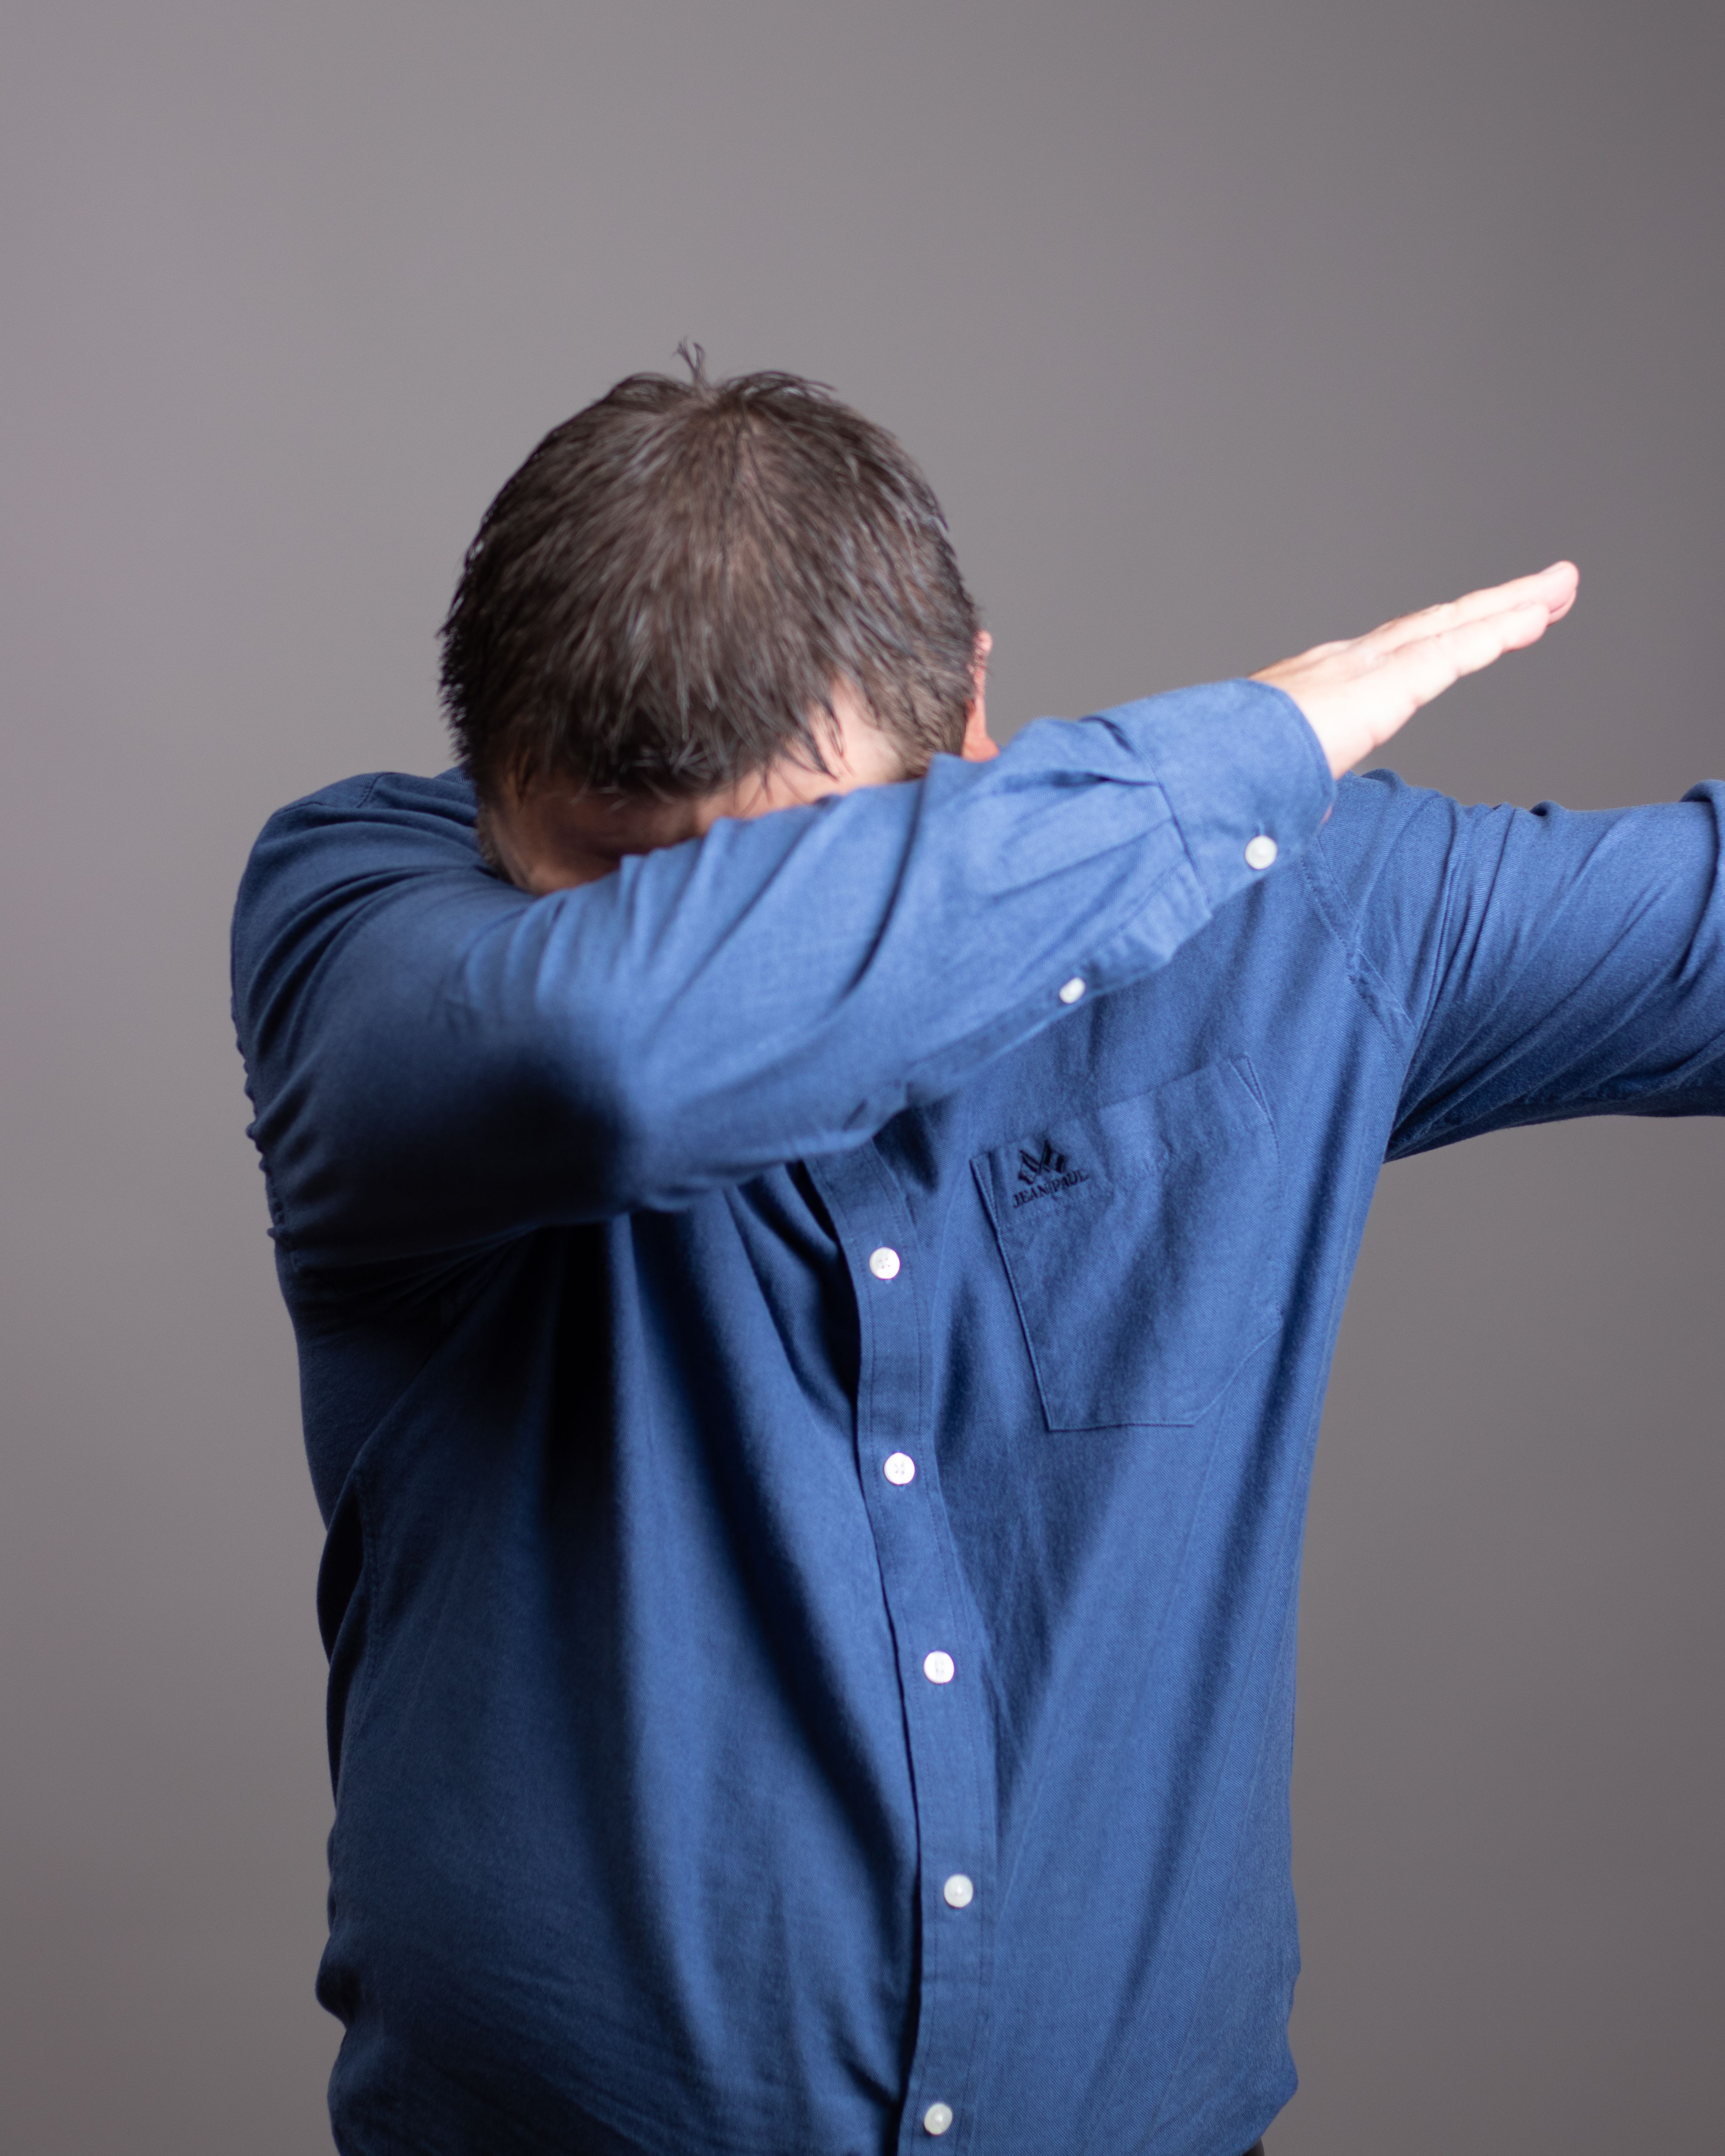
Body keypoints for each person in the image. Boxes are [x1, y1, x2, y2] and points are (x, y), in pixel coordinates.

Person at [230, 358, 1710, 2156]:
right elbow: (615, 1051)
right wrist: (1242, 750)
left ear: (974, 724)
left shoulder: (1292, 913)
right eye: (622, 884)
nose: (754, 960)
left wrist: (1186, 821)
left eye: (818, 870)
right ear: (488, 789)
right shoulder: (362, 931)